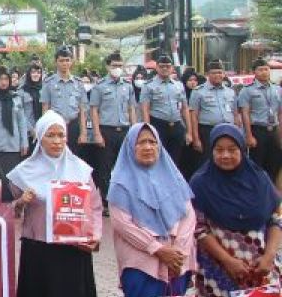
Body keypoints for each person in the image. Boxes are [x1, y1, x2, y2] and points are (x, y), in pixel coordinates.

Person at [7, 111, 103, 297]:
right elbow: (10, 211)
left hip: (73, 252)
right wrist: (20, 203)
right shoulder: (23, 172)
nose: (57, 140)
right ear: (39, 137)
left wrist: (94, 236)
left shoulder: (81, 169)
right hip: (39, 251)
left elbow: (96, 207)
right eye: (51, 135)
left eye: (61, 134)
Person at [188, 123, 282, 297]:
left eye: (232, 150)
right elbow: (200, 229)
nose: (225, 155)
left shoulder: (259, 179)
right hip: (218, 269)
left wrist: (269, 257)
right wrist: (227, 261)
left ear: (242, 150)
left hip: (260, 266)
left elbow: (275, 220)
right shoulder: (201, 183)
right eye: (219, 150)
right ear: (211, 151)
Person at [107, 123, 194, 297]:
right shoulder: (120, 182)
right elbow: (122, 224)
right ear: (130, 148)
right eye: (141, 143)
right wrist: (158, 248)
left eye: (152, 142)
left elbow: (188, 215)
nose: (147, 148)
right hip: (141, 263)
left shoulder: (174, 176)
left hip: (176, 262)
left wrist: (176, 250)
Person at [88, 51, 139, 209]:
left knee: (123, 167)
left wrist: (134, 130)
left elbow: (131, 109)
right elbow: (94, 110)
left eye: (119, 66)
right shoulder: (100, 86)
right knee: (104, 167)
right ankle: (106, 201)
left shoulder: (127, 86)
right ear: (107, 66)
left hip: (123, 130)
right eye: (114, 66)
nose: (117, 68)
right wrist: (97, 133)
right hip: (106, 130)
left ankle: (122, 200)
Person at [140, 56, 193, 179]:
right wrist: (148, 130)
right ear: (157, 67)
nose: (165, 69)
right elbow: (145, 109)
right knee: (156, 159)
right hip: (158, 125)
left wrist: (189, 132)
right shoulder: (149, 85)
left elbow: (185, 109)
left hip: (176, 125)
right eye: (161, 66)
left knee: (176, 161)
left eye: (168, 66)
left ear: (172, 68)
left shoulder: (178, 85)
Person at [237, 57, 281, 181]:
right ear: (254, 72)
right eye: (260, 70)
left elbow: (280, 113)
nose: (264, 72)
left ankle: (271, 193)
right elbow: (245, 113)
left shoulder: (277, 89)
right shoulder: (247, 90)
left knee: (274, 163)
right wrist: (249, 135)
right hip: (257, 130)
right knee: (257, 164)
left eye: (266, 69)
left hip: (274, 130)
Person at [41, 47, 89, 152]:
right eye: (61, 60)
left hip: (73, 126)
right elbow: (45, 108)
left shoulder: (78, 83)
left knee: (74, 158)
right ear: (56, 62)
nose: (65, 63)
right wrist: (45, 132)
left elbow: (82, 110)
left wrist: (83, 132)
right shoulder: (49, 83)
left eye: (67, 60)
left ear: (71, 62)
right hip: (55, 127)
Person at [189, 59, 236, 158]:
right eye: (213, 73)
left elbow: (235, 114)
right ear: (208, 74)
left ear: (224, 74)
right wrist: (196, 139)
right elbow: (193, 117)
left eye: (219, 72)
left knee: (227, 158)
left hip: (228, 129)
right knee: (208, 160)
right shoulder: (198, 91)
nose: (217, 75)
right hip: (208, 131)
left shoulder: (230, 92)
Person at [20, 62, 45, 135]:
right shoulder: (21, 91)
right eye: (33, 72)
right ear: (29, 74)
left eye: (38, 72)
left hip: (42, 130)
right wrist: (31, 129)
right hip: (27, 131)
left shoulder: (44, 89)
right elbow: (20, 113)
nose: (36, 74)